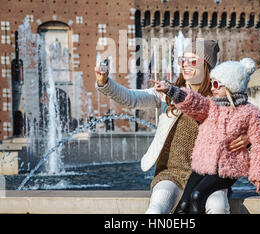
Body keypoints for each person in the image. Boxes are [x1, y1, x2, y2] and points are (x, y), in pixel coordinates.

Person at [94, 39, 251, 214]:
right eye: (183, 60)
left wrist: (247, 137)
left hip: (207, 177)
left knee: (218, 207)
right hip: (171, 173)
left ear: (206, 66)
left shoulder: (220, 98)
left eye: (193, 61)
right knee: (156, 208)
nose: (186, 65)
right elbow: (131, 98)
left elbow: (250, 123)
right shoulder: (168, 92)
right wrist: (105, 83)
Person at [151, 57, 260, 214]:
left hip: (227, 169)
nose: (212, 88)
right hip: (203, 166)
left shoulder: (250, 113)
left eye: (216, 84)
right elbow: (193, 102)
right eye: (212, 82)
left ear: (230, 86)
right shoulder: (211, 106)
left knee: (197, 196)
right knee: (182, 206)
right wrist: (171, 90)